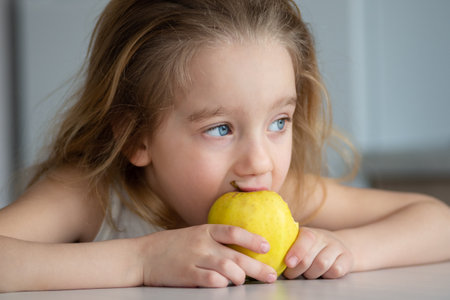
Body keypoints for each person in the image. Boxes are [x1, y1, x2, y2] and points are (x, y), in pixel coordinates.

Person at [0, 0, 449, 292]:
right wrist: (142, 261)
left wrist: (348, 249)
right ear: (135, 137)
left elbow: (438, 223)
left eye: (278, 121)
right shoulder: (95, 195)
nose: (259, 162)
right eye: (220, 129)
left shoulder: (286, 193)